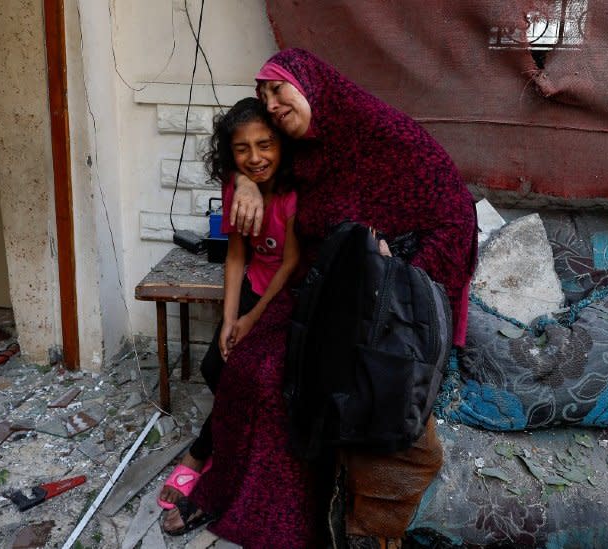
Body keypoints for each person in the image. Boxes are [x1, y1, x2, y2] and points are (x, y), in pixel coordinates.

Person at [228, 48, 478, 548]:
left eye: (278, 89)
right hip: (331, 287)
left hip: (398, 298)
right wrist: (243, 185)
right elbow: (249, 159)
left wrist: (399, 278)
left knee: (345, 390)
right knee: (252, 366)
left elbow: (455, 218)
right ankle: (261, 505)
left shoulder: (384, 134)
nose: (271, 104)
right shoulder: (304, 150)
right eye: (263, 95)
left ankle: (349, 526)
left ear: (312, 85)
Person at [160, 98, 316, 547]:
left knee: (247, 376)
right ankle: (225, 439)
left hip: (283, 295)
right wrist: (229, 317)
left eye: (265, 144)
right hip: (252, 285)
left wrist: (249, 319)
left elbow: (288, 265)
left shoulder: (293, 193)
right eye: (242, 149)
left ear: (282, 144)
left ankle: (202, 452)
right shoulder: (238, 186)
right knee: (215, 366)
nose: (255, 157)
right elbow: (235, 255)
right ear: (230, 154)